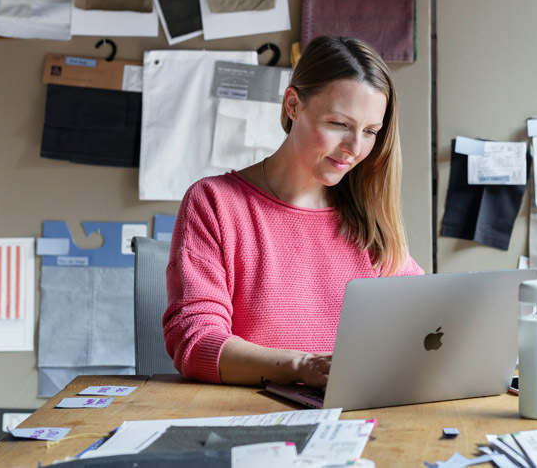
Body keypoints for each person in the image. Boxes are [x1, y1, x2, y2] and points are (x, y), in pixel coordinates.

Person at [163, 36, 424, 389]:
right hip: (251, 418)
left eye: (370, 131)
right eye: (339, 124)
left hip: (353, 418)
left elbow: (426, 320)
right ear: (292, 105)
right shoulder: (215, 202)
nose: (354, 149)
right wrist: (302, 366)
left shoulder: (367, 220)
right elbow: (194, 344)